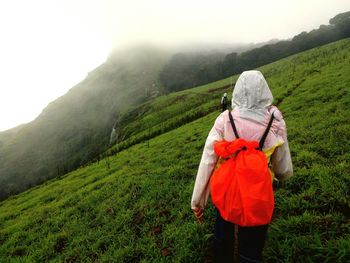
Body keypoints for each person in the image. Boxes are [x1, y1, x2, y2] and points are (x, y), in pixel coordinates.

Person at [191, 70, 293, 263]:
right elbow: (283, 169)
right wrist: (281, 175)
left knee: (224, 238)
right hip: (258, 194)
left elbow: (208, 160)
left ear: (237, 92)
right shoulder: (274, 123)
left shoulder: (225, 120)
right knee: (252, 245)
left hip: (227, 192)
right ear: (264, 91)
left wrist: (198, 201)